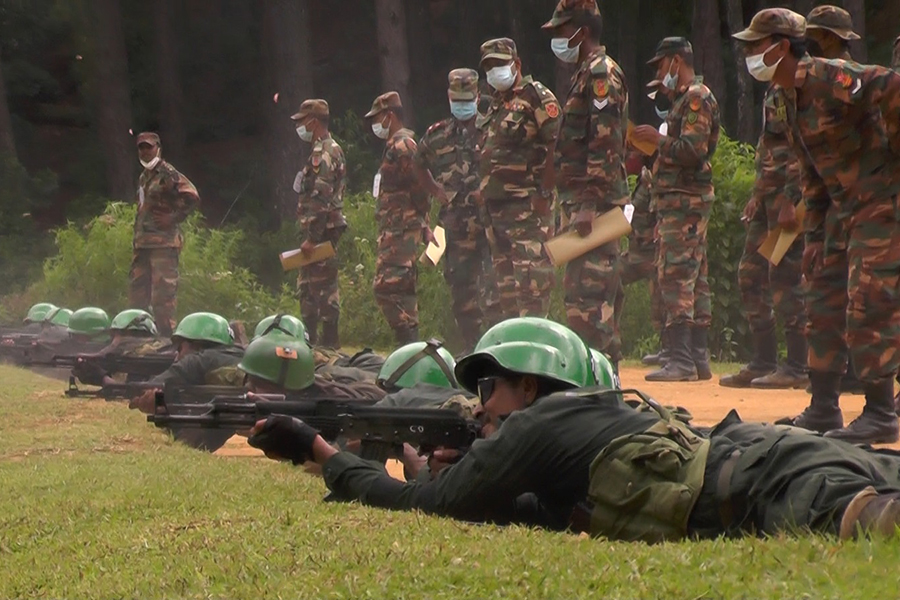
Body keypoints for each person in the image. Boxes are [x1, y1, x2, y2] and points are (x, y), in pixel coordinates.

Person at [248, 316, 900, 542]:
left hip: (776, 484)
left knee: (879, 527)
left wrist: (320, 452)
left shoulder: (545, 426)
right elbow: (537, 513)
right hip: (774, 461)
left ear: (531, 387)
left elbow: (433, 508)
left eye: (490, 387)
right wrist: (439, 469)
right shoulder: (578, 426)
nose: (479, 405)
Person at [734, 9, 900, 444]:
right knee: (821, 294)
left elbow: (892, 86)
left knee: (867, 301)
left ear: (781, 47)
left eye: (756, 45)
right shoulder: (787, 96)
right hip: (840, 212)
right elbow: (812, 170)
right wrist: (812, 237)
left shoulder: (830, 77)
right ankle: (824, 407)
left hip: (881, 205)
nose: (750, 54)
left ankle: (881, 412)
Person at [543, 0, 628, 367]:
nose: (560, 39)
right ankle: (603, 382)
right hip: (582, 204)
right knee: (588, 298)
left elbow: (604, 142)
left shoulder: (600, 75)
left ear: (583, 30)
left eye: (563, 31)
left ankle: (600, 391)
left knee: (588, 303)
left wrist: (590, 202)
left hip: (594, 208)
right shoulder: (585, 74)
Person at [632, 38, 720, 382]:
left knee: (677, 276)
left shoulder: (695, 97)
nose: (658, 72)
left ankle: (681, 359)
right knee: (695, 278)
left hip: (686, 201)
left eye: (660, 65)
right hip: (678, 201)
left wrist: (658, 140)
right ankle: (696, 357)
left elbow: (693, 150)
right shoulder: (684, 99)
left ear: (675, 61)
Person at [719, 79, 806, 390]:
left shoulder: (796, 85)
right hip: (766, 198)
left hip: (786, 200)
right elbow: (768, 145)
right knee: (750, 274)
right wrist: (757, 193)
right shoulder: (774, 88)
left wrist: (791, 198)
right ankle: (764, 359)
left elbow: (801, 143)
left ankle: (798, 364)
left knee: (784, 275)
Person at [414, 69, 501, 351]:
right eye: (457, 99)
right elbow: (418, 163)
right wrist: (436, 191)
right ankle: (471, 348)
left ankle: (496, 347)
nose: (462, 105)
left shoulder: (495, 129)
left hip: (491, 224)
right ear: (449, 98)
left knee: (495, 291)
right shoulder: (437, 135)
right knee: (462, 292)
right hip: (456, 226)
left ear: (478, 97)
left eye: (468, 99)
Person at [477, 38, 559, 319]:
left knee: (531, 288)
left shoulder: (536, 97)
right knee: (506, 295)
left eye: (499, 64)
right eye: (488, 67)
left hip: (527, 212)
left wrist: (545, 193)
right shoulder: (496, 104)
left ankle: (534, 354)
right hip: (497, 216)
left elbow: (556, 145)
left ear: (516, 64)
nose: (493, 72)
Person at [366, 92, 432, 345]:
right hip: (395, 230)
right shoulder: (394, 146)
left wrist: (421, 221)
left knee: (390, 288)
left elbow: (420, 186)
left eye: (377, 117)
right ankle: (407, 343)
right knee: (396, 289)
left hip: (403, 231)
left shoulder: (403, 146)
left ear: (389, 116)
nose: (375, 123)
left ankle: (408, 343)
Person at [130, 132, 199, 338]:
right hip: (143, 244)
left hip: (163, 244)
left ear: (158, 148)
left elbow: (192, 195)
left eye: (148, 147)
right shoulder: (144, 176)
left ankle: (167, 341)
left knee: (163, 297)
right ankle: (139, 337)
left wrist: (174, 217)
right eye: (141, 147)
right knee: (137, 294)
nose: (144, 151)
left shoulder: (168, 173)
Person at [291, 99, 347, 349]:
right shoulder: (328, 149)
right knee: (308, 288)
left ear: (313, 121)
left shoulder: (323, 152)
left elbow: (321, 197)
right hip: (320, 229)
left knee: (321, 288)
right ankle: (313, 343)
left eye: (302, 121)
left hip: (322, 232)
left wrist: (313, 237)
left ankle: (328, 345)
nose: (300, 126)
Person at [128, 311, 243, 413]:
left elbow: (147, 388)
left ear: (197, 346)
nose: (176, 358)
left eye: (180, 348)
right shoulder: (245, 358)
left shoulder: (197, 361)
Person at [71, 309, 172, 386]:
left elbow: (133, 390)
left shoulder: (145, 354)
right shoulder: (161, 349)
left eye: (118, 334)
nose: (115, 341)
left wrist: (101, 377)